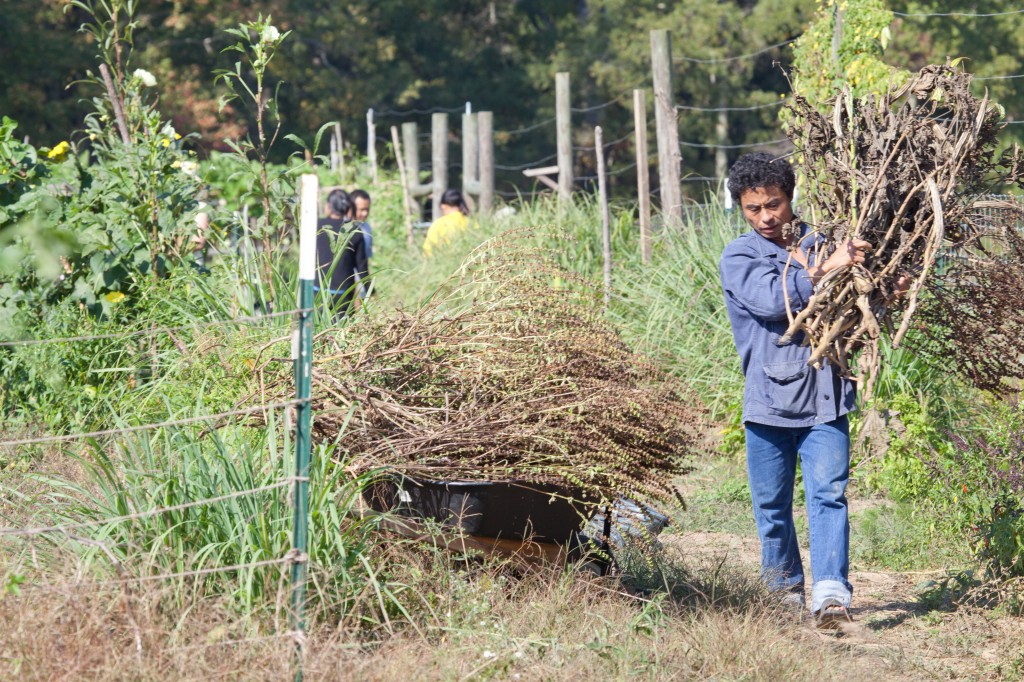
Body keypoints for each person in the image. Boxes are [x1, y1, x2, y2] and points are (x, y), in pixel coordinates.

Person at [718, 152, 872, 626]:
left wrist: (882, 286)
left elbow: (857, 308)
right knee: (772, 504)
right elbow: (773, 300)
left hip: (826, 396)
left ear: (791, 197)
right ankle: (782, 591)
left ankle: (831, 594)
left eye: (775, 204)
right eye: (753, 209)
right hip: (767, 401)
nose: (766, 217)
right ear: (741, 210)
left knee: (828, 494)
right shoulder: (741, 256)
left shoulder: (825, 243)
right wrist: (828, 269)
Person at [316, 188, 370, 320]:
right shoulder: (354, 231)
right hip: (343, 293)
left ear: (328, 207)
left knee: (318, 330)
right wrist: (370, 289)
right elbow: (362, 267)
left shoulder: (316, 225)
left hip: (317, 290)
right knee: (341, 330)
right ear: (348, 208)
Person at [422, 188, 470, 257]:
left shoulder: (438, 224)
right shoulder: (471, 223)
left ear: (443, 206)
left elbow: (428, 250)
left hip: (443, 262)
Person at [350, 188, 374, 261]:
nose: (365, 213)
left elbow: (366, 258)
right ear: (351, 207)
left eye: (367, 209)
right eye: (361, 209)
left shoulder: (366, 228)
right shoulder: (342, 228)